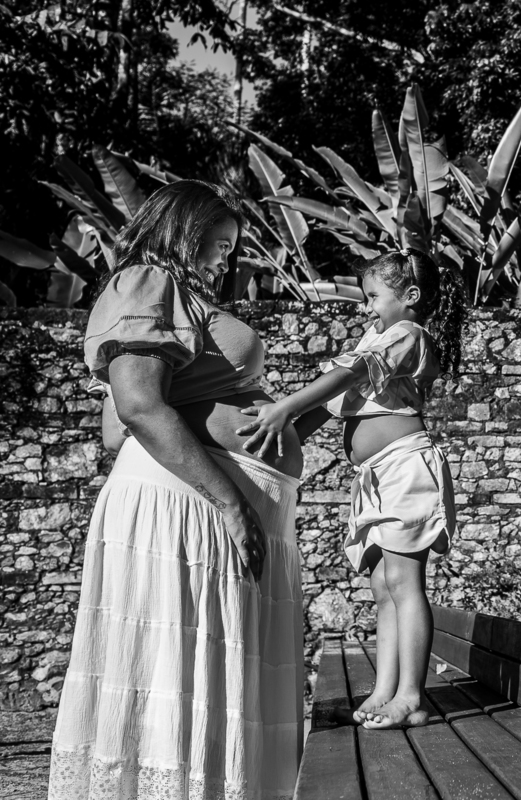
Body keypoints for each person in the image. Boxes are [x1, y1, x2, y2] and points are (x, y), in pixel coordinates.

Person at [48, 181, 305, 800]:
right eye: (221, 244)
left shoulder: (180, 300)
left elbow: (130, 415)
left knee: (208, 676)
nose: (226, 259)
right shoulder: (147, 281)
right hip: (188, 506)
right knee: (177, 671)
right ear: (186, 230)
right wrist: (229, 502)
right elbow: (135, 409)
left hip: (205, 501)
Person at [237, 248, 464, 729]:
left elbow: (352, 373)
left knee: (404, 582)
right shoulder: (378, 336)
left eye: (373, 296)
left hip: (404, 468)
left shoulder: (408, 334)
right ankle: (385, 691)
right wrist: (280, 436)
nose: (366, 306)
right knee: (382, 587)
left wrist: (285, 406)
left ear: (410, 296)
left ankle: (412, 696)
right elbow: (335, 400)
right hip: (378, 476)